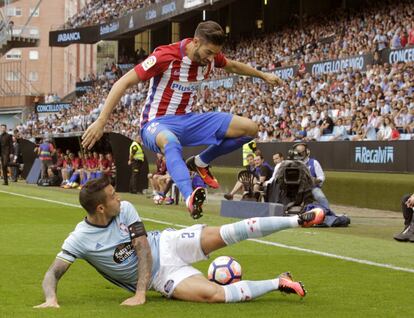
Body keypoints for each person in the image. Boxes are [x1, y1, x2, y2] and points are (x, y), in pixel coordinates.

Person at [81, 21, 282, 219]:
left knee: (251, 128)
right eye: (209, 52)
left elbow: (234, 66)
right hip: (156, 122)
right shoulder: (165, 56)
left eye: (215, 54)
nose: (212, 58)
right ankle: (189, 197)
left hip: (188, 120)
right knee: (170, 141)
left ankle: (201, 162)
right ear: (195, 42)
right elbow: (123, 82)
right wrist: (101, 120)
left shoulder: (210, 58)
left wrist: (263, 75)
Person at [34, 177, 325, 308]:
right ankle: (279, 281)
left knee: (225, 233)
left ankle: (297, 219)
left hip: (169, 244)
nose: (118, 198)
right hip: (163, 277)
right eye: (112, 196)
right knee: (214, 296)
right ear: (99, 208)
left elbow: (143, 249)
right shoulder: (79, 239)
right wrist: (51, 298)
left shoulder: (125, 210)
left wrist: (139, 294)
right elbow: (53, 272)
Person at [291, 143, 330, 208]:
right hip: (297, 188)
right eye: (298, 152)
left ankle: (327, 211)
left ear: (307, 152)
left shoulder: (314, 162)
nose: (300, 154)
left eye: (302, 152)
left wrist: (315, 180)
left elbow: (321, 177)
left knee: (320, 196)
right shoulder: (293, 164)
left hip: (313, 188)